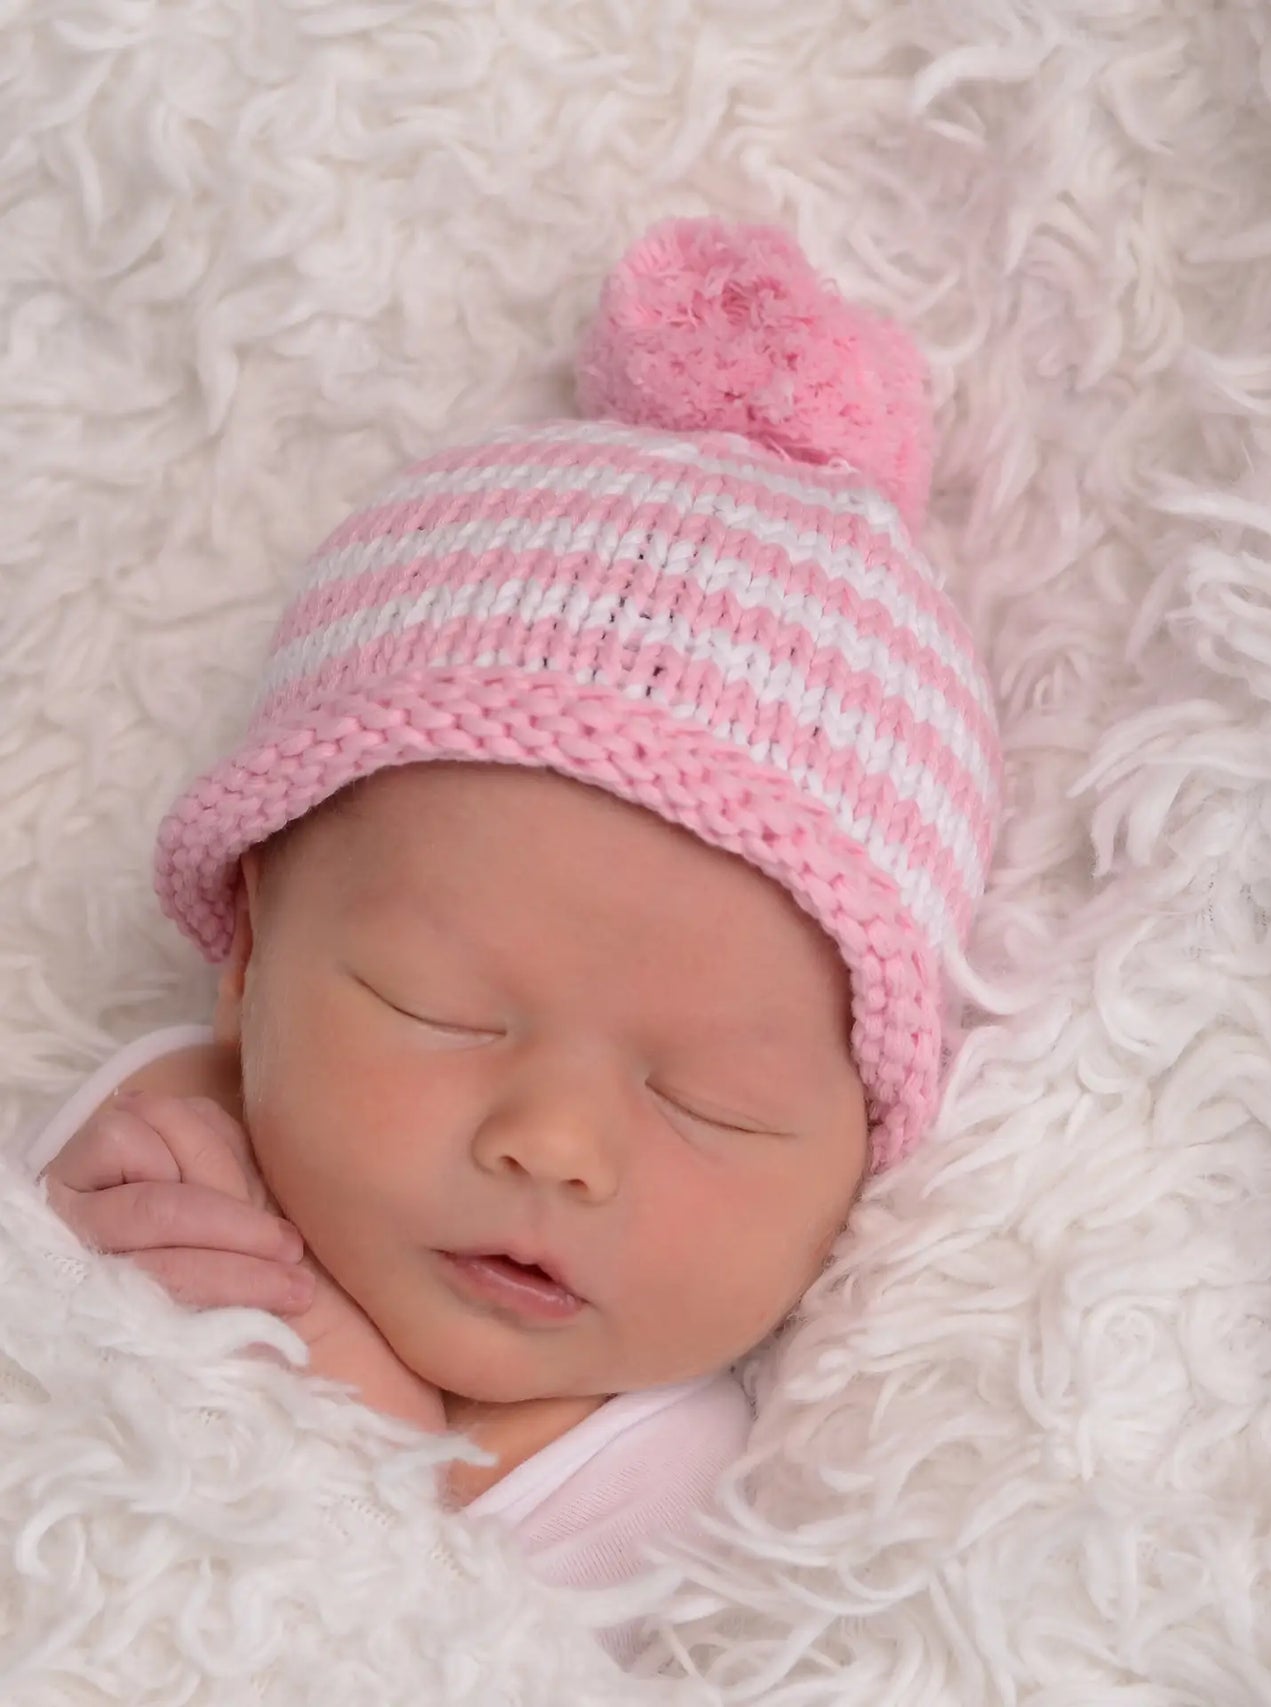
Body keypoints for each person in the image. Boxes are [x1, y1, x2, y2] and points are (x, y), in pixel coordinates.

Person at [25, 216, 1001, 1654]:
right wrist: (58, 1260)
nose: (554, 1142)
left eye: (709, 1102)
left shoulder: (678, 1491)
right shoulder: (163, 1137)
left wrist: (339, 1403)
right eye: (439, 1008)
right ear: (244, 958)